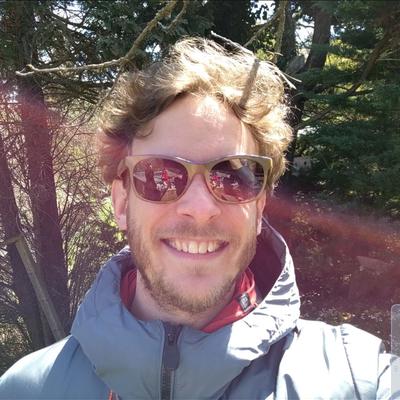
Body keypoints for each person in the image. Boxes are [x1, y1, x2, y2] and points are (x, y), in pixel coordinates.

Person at [0, 37, 397, 400]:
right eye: (161, 175)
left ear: (259, 207)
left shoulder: (357, 379)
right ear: (121, 203)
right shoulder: (26, 391)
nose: (200, 206)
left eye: (234, 177)